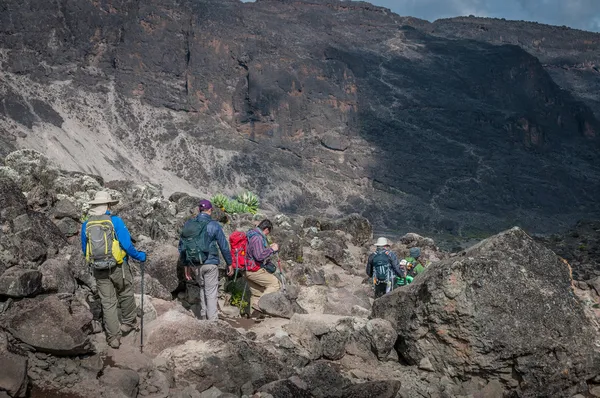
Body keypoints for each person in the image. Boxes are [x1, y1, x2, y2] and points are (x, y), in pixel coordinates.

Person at [81, 191, 147, 349]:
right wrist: (140, 256)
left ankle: (113, 338)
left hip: (98, 267)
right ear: (108, 205)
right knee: (125, 291)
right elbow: (126, 244)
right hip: (118, 266)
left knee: (108, 302)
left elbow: (85, 249)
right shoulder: (115, 221)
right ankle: (129, 323)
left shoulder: (87, 224)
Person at [178, 199, 232, 321]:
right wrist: (229, 263)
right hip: (210, 263)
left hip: (195, 264)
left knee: (202, 288)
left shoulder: (189, 224)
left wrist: (186, 266)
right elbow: (223, 246)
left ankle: (203, 317)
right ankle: (212, 321)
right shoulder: (214, 225)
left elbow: (182, 246)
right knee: (211, 292)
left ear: (199, 209)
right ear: (209, 210)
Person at [245, 219, 281, 314]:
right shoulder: (257, 238)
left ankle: (253, 317)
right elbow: (259, 256)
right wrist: (272, 250)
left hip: (247, 269)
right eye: (268, 232)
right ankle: (260, 304)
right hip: (254, 270)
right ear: (266, 229)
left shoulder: (251, 234)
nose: (267, 235)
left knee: (257, 294)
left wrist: (269, 248)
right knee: (275, 283)